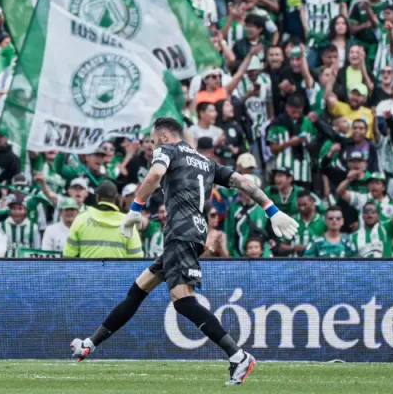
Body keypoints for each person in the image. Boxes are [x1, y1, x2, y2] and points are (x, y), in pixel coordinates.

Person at [70, 118, 298, 385]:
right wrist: (272, 210)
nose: (153, 144)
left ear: (164, 136)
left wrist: (134, 209)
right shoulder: (206, 162)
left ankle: (238, 356)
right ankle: (90, 343)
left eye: (154, 140)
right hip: (192, 233)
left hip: (181, 233)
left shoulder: (168, 150)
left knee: (183, 301)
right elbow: (243, 182)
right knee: (138, 289)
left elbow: (154, 175)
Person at [63, 180, 143, 258]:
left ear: (98, 197)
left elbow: (68, 255)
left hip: (88, 271)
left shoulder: (81, 219)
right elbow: (136, 258)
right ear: (115, 198)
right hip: (117, 271)